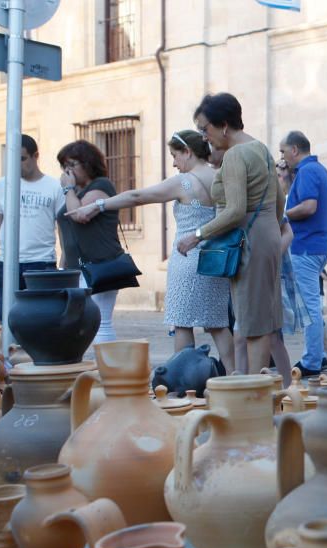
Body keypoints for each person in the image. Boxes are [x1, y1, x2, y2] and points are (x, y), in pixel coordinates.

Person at [69, 130, 235, 372]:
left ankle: (183, 381)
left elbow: (139, 196)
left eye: (175, 155)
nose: (174, 163)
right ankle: (233, 376)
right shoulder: (219, 177)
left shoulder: (184, 181)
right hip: (215, 259)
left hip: (186, 260)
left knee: (182, 323)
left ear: (187, 152)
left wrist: (100, 204)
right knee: (219, 325)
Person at [177, 92, 286, 377]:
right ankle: (261, 393)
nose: (205, 137)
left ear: (223, 125)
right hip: (266, 236)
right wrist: (269, 230)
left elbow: (235, 210)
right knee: (262, 322)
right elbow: (279, 201)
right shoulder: (261, 148)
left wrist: (197, 235)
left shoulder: (237, 154)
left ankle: (254, 397)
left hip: (249, 239)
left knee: (253, 326)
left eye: (206, 129)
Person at [55, 140, 127, 344]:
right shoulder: (75, 192)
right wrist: (63, 266)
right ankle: (90, 371)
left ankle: (106, 372)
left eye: (72, 165)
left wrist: (67, 189)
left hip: (99, 264)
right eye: (64, 166)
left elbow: (79, 215)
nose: (67, 171)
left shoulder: (101, 186)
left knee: (100, 322)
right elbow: (67, 231)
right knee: (80, 323)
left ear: (88, 163)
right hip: (76, 267)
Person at [279, 130, 327, 375]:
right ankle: (320, 354)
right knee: (310, 304)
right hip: (314, 245)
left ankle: (312, 360)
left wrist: (281, 215)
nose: (282, 157)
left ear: (294, 150)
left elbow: (309, 207)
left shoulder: (309, 171)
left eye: (283, 151)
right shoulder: (313, 170)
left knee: (310, 306)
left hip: (307, 246)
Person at [0, 134, 62, 314]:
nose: (17, 165)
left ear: (35, 156)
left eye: (22, 159)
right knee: (8, 318)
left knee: (40, 319)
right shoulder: (1, 185)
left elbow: (63, 227)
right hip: (8, 262)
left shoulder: (54, 186)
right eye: (13, 160)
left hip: (42, 263)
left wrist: (64, 260)